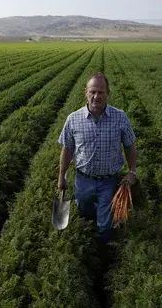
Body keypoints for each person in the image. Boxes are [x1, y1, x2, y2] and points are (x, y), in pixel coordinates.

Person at [57, 72, 137, 245]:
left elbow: (130, 145)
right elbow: (67, 149)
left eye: (101, 92)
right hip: (83, 180)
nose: (96, 96)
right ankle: (89, 242)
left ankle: (103, 251)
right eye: (93, 91)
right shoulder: (73, 119)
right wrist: (61, 176)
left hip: (109, 181)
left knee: (105, 224)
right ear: (86, 92)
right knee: (84, 211)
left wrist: (132, 171)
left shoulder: (120, 117)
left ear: (108, 93)